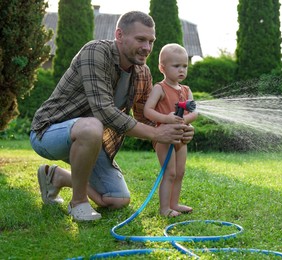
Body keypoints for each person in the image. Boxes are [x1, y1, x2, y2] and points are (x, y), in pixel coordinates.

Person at [29, 11, 194, 221]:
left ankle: (57, 176)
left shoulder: (142, 73)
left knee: (116, 199)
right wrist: (156, 133)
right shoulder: (95, 52)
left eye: (151, 41)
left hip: (91, 141)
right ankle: (78, 203)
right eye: (141, 39)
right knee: (92, 126)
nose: (147, 47)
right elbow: (105, 112)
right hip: (49, 132)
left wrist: (176, 130)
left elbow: (146, 118)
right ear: (119, 35)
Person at [144, 43, 198, 217]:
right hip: (164, 138)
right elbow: (148, 111)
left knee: (180, 172)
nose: (181, 70)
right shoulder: (160, 88)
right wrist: (167, 119)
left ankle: (174, 204)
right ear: (162, 68)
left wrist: (184, 120)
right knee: (170, 172)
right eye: (176, 66)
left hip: (181, 138)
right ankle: (164, 208)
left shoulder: (186, 90)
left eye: (185, 66)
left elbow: (194, 113)